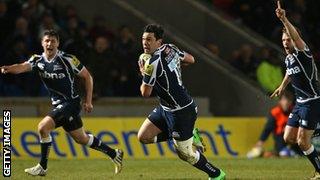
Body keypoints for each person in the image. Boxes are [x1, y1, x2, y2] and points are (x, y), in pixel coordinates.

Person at [0, 29, 123, 176]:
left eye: (53, 41)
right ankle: (114, 154)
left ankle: (42, 167)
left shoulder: (67, 59)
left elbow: (87, 77)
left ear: (58, 43)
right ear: (42, 43)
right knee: (81, 138)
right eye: (47, 41)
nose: (49, 43)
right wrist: (8, 68)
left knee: (43, 128)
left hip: (70, 103)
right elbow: (22, 67)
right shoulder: (37, 60)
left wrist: (88, 101)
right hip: (59, 105)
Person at [137, 24, 225, 180]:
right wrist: (174, 67)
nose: (145, 43)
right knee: (143, 137)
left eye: (150, 40)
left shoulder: (152, 63)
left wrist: (144, 73)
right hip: (166, 108)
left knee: (186, 155)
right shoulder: (170, 48)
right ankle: (189, 134)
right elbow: (191, 59)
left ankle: (216, 174)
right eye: (144, 39)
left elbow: (145, 93)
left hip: (181, 111)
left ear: (159, 41)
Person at [271, 1, 320, 179]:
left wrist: (284, 19)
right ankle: (316, 127)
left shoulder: (303, 53)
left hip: (312, 101)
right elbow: (290, 73)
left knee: (302, 141)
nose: (285, 43)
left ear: (295, 39)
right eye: (283, 40)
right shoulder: (289, 58)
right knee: (288, 137)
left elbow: (296, 37)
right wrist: (282, 86)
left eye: (288, 39)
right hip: (299, 104)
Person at [247, 91, 295, 158]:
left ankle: (282, 152)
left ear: (291, 102)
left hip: (294, 138)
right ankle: (265, 153)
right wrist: (260, 142)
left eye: (288, 100)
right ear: (280, 101)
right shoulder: (275, 112)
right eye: (284, 100)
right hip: (280, 138)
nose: (286, 102)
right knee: (283, 153)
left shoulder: (295, 111)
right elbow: (268, 129)